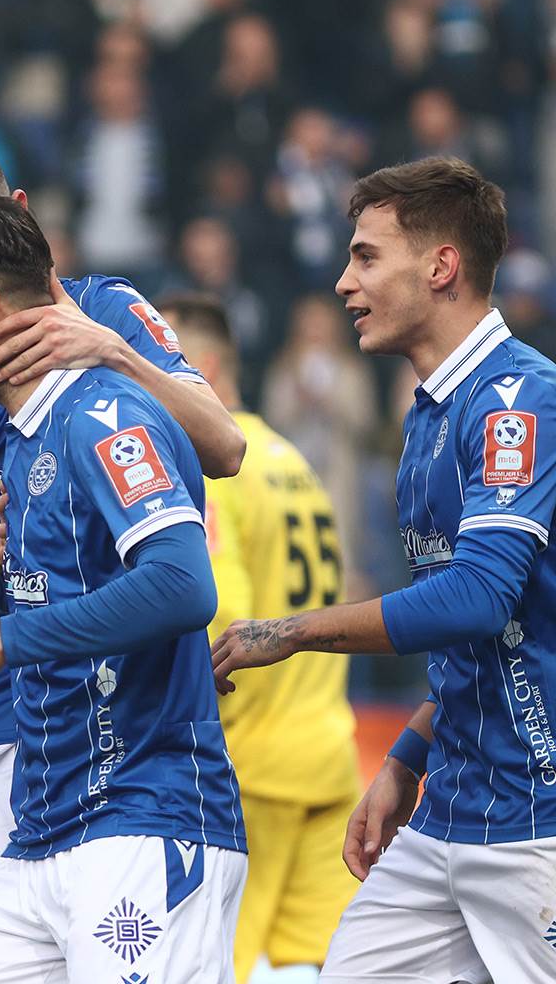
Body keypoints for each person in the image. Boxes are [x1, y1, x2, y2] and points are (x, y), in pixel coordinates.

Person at [211, 156, 556, 982]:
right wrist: (406, 759)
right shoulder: (426, 421)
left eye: (366, 256)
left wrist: (293, 632)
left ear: (442, 266)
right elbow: (470, 641)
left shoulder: (518, 401)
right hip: (451, 813)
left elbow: (479, 600)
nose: (344, 282)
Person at [0, 134, 244, 983]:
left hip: (143, 817)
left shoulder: (103, 408)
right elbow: (57, 579)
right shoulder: (24, 438)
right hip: (44, 825)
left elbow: (184, 582)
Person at [160, 294, 359, 982]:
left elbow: (221, 617)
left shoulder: (215, 474)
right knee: (310, 962)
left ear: (206, 370)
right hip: (329, 751)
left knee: (222, 962)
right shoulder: (291, 459)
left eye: (156, 366)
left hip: (253, 766)